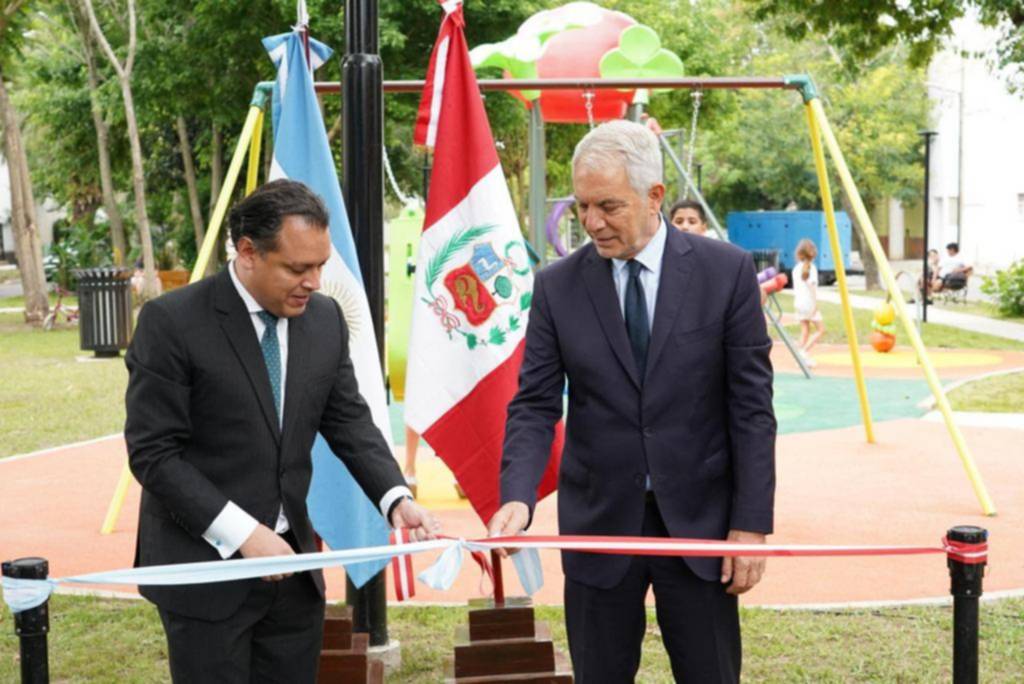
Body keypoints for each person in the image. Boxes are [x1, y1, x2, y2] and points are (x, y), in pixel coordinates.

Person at [488, 121, 776, 682]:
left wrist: (749, 525)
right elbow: (535, 403)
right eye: (582, 206)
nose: (592, 223)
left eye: (609, 206)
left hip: (700, 528)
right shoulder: (556, 287)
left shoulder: (727, 273)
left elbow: (751, 409)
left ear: (654, 197)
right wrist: (518, 497)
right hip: (598, 525)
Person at [125, 179, 438, 683]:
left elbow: (348, 419)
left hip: (293, 577)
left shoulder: (325, 320)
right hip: (206, 573)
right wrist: (246, 535)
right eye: (297, 268)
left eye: (320, 265)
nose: (313, 282)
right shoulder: (172, 322)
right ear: (247, 252)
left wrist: (396, 498)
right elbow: (154, 455)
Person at [793, 238, 824, 367]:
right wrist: (815, 305)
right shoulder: (811, 268)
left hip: (799, 303)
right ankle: (803, 352)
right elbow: (812, 288)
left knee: (805, 330)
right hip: (808, 303)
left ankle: (799, 357)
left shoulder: (796, 269)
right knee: (821, 330)